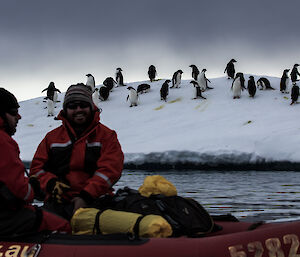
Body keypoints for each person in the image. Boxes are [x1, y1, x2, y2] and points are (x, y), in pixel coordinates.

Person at [30, 83, 124, 220]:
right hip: (58, 203)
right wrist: (50, 184)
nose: (78, 110)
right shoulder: (52, 138)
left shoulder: (106, 136)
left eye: (83, 105)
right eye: (72, 106)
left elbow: (110, 170)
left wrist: (86, 196)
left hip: (97, 202)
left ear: (91, 107)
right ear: (65, 109)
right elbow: (36, 169)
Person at [0, 88, 71, 236]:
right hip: (4, 217)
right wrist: (35, 189)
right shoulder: (3, 142)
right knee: (62, 225)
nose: (19, 117)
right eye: (13, 112)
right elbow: (20, 192)